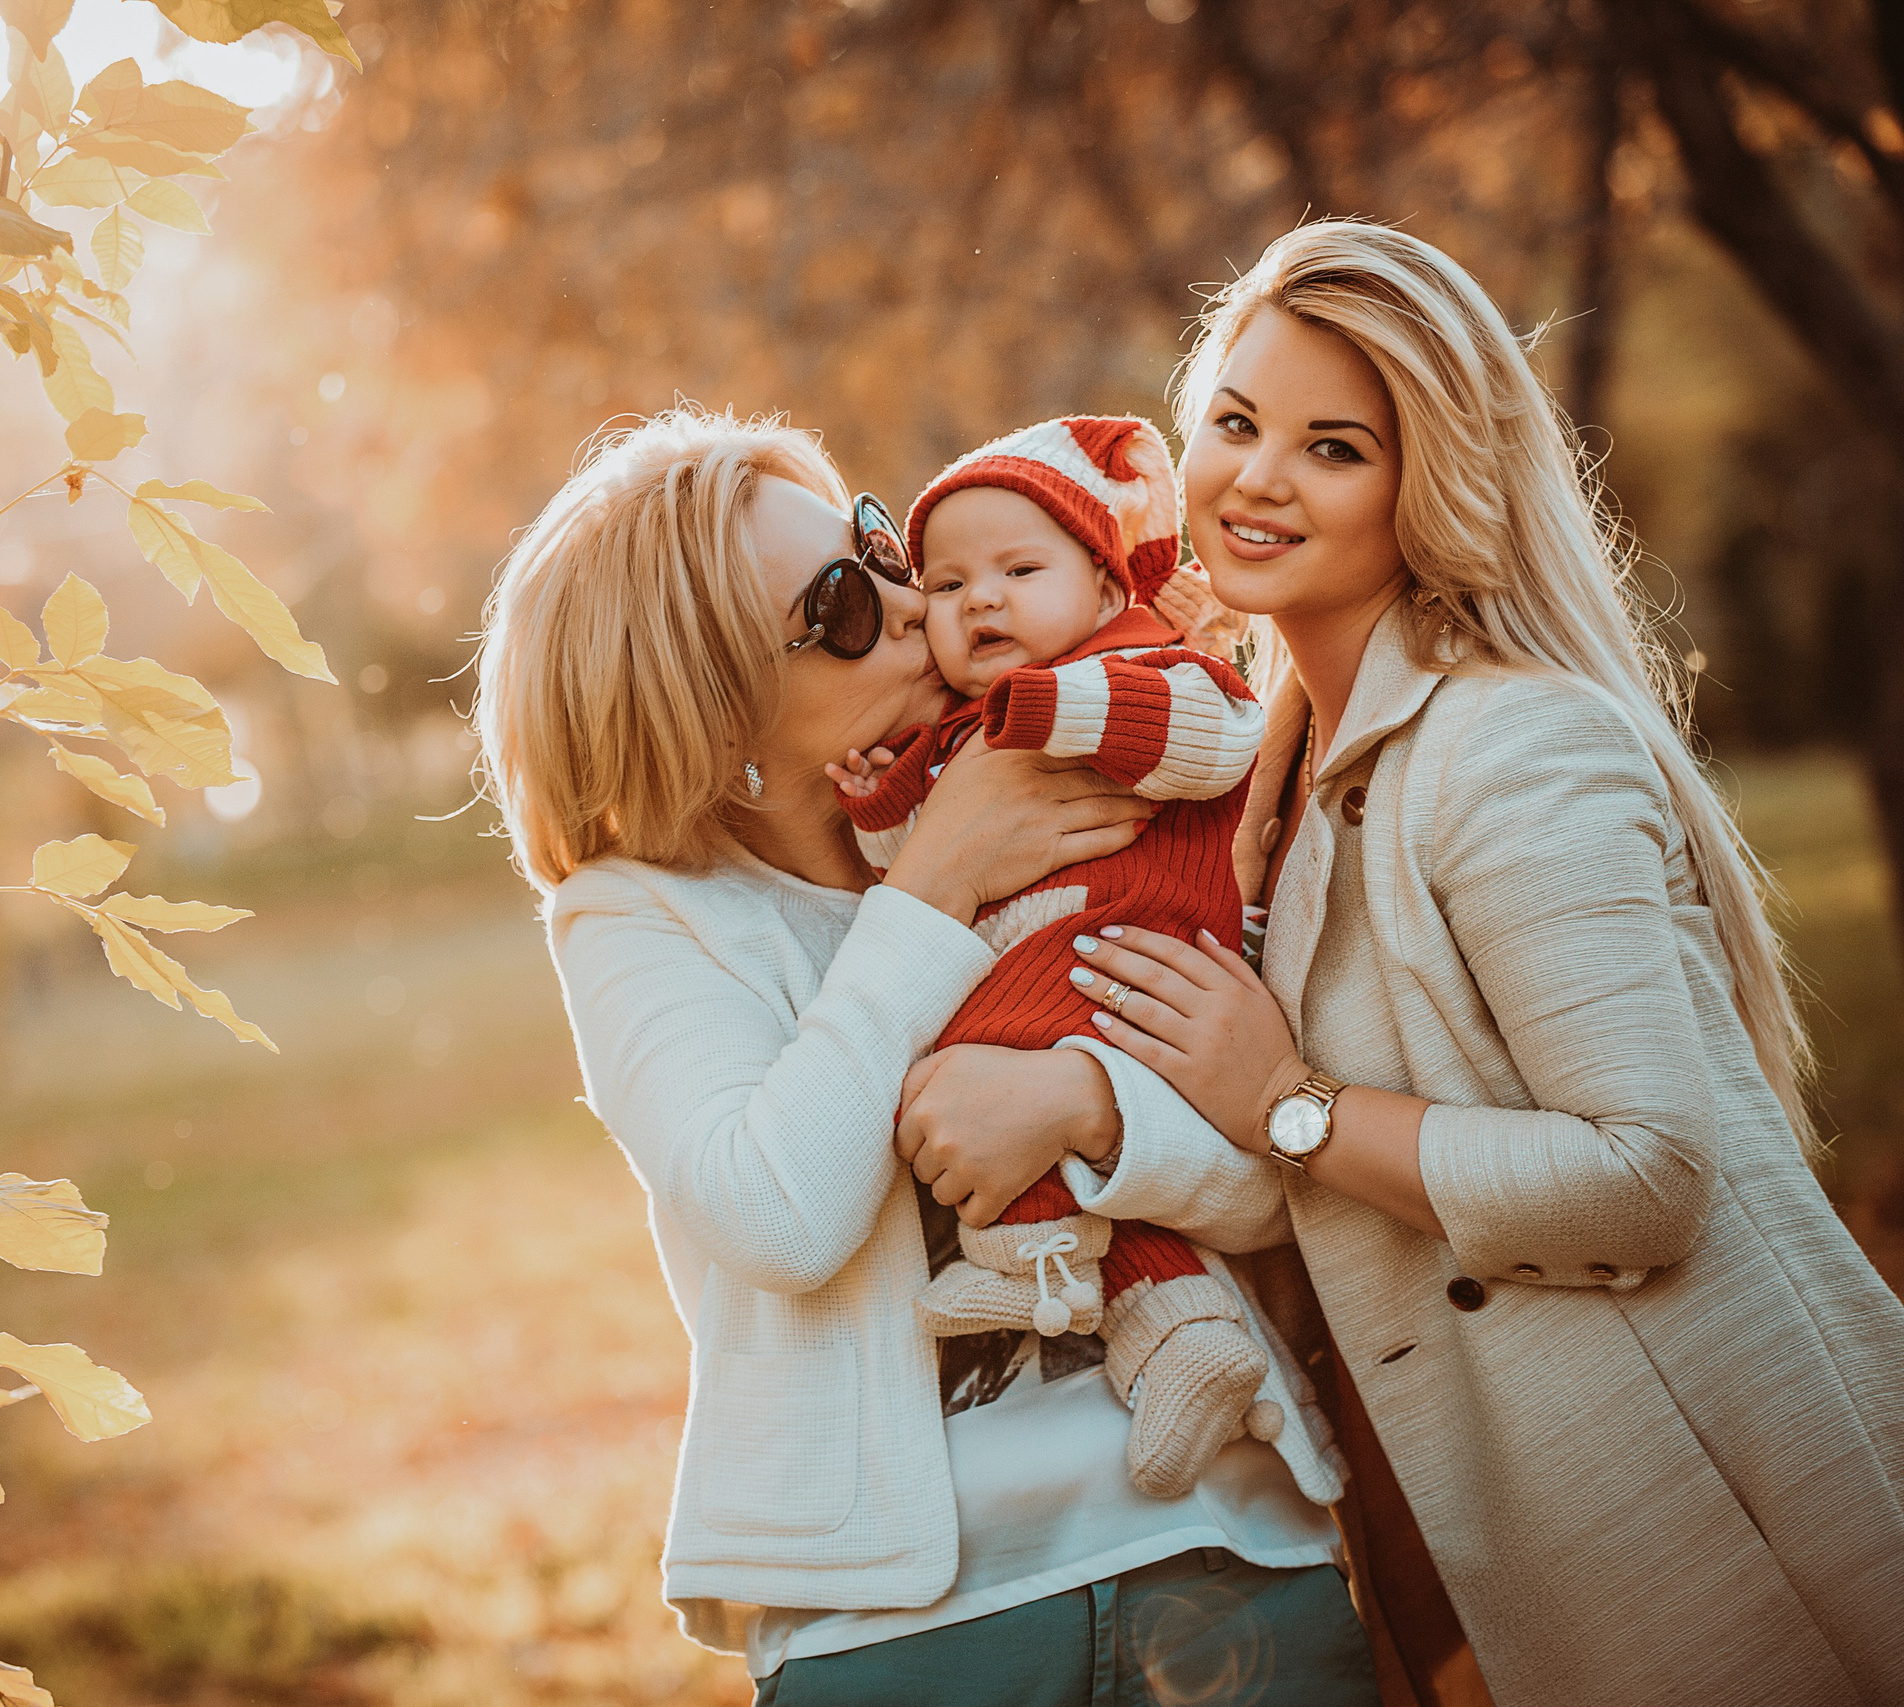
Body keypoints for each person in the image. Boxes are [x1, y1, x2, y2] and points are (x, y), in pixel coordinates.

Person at [894, 222, 1904, 1707]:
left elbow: (1647, 1173)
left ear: (1428, 482)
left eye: (1334, 448)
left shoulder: (1514, 745)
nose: (1257, 477)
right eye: (1236, 423)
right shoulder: (1253, 773)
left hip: (1684, 1509)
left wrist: (1289, 1105)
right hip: (1426, 1524)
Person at [477, 405, 1377, 1704]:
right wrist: (939, 877)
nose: (912, 604)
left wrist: (1086, 1103)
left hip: (1224, 1559)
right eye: (841, 605)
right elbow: (778, 1213)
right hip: (908, 1636)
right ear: (711, 711)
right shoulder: (642, 920)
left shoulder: (1066, 785)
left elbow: (1267, 1191)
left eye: (877, 550)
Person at [830, 415, 1283, 1503]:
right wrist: (881, 797)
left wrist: (1051, 709)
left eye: (1018, 571)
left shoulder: (1143, 663)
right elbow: (914, 861)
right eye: (947, 585)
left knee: (979, 1055)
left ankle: (1029, 1264)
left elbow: (1219, 734)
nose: (979, 601)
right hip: (1059, 963)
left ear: (1102, 581)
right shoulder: (965, 727)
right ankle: (1178, 1331)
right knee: (981, 1065)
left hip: (1135, 950)